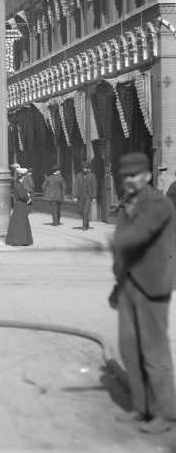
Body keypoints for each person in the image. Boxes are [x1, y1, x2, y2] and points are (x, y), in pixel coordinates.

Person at [109, 152, 176, 435]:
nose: (128, 180)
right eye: (124, 176)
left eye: (134, 175)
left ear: (147, 176)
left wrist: (111, 242)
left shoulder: (159, 204)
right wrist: (117, 283)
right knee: (129, 348)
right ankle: (142, 408)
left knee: (154, 352)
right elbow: (124, 252)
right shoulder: (127, 207)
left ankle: (167, 413)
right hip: (128, 285)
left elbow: (140, 235)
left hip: (152, 285)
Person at [5, 166, 34, 246]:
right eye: (24, 176)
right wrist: (28, 198)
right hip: (20, 205)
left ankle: (20, 239)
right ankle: (20, 240)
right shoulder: (18, 185)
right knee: (20, 223)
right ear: (22, 176)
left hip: (19, 205)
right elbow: (22, 195)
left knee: (18, 222)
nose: (25, 178)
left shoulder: (18, 184)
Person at [74, 161, 98, 231]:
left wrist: (94, 197)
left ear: (88, 169)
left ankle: (84, 226)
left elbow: (94, 186)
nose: (85, 169)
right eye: (83, 168)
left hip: (88, 196)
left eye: (86, 168)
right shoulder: (78, 176)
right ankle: (86, 221)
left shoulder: (92, 176)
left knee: (86, 211)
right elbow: (75, 186)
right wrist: (75, 196)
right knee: (80, 211)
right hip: (80, 196)